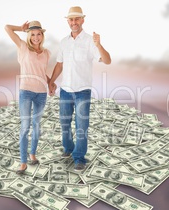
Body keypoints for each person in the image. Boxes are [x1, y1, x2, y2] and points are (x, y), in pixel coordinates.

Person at [48, 6, 111, 171]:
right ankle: (68, 148)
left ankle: (79, 157)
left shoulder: (91, 41)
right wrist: (51, 82)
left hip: (83, 91)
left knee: (81, 126)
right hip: (65, 91)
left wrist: (99, 44)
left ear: (83, 20)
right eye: (71, 19)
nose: (74, 22)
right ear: (68, 21)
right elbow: (59, 64)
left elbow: (107, 60)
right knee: (64, 123)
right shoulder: (63, 42)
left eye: (77, 19)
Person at [5, 21, 55, 174]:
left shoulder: (47, 53)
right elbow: (7, 28)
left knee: (37, 125)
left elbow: (41, 72)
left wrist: (51, 83)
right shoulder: (23, 47)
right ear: (28, 35)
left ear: (42, 35)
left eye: (38, 34)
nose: (35, 37)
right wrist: (21, 28)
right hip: (26, 91)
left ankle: (32, 153)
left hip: (41, 93)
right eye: (32, 34)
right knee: (25, 126)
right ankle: (23, 162)